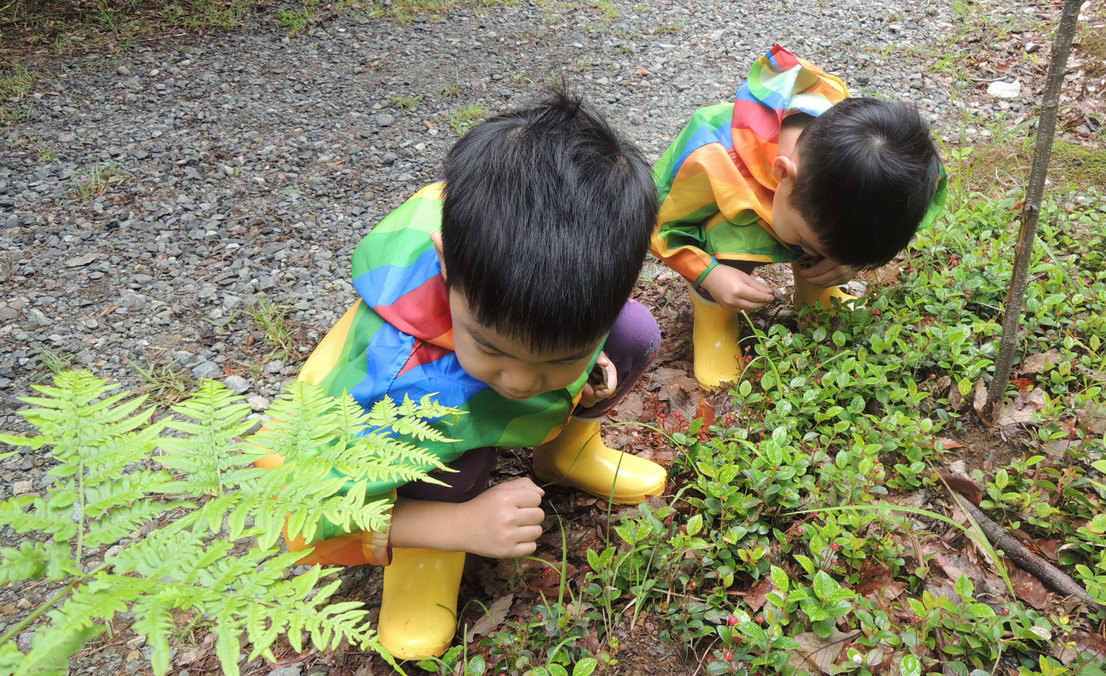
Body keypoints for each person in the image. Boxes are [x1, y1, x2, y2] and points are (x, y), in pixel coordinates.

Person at [258, 90, 666, 659]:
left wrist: (584, 368)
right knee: (452, 438)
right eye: (491, 345)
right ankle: (429, 552)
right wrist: (464, 527)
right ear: (447, 263)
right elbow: (304, 512)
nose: (522, 382)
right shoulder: (396, 383)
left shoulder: (542, 285)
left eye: (555, 356)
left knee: (633, 335)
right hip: (408, 414)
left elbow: (549, 341)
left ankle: (567, 453)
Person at [652, 44, 946, 389]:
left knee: (830, 228)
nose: (814, 250)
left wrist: (847, 261)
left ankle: (814, 293)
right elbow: (658, 224)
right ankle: (715, 317)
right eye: (809, 243)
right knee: (736, 230)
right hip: (729, 210)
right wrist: (711, 275)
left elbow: (915, 205)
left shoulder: (903, 170)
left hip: (802, 208)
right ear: (784, 175)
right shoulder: (710, 156)